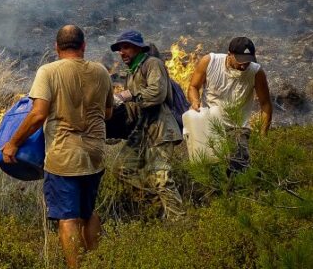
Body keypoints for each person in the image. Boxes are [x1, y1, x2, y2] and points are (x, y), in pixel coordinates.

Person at [1, 25, 113, 269]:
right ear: (84, 46)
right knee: (89, 212)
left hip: (64, 156)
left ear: (56, 47)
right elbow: (108, 112)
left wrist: (13, 143)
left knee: (68, 217)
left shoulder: (48, 71)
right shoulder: (101, 72)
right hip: (95, 154)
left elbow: (38, 114)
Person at [109, 30, 184, 219]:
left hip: (160, 130)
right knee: (121, 169)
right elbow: (135, 108)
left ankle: (181, 223)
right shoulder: (132, 72)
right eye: (119, 49)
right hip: (141, 132)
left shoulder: (152, 64)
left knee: (162, 179)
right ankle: (157, 207)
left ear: (138, 48)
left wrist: (128, 95)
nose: (121, 52)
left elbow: (157, 93)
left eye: (125, 47)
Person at [187, 36, 272, 172]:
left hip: (237, 127)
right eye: (240, 61)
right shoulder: (210, 62)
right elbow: (193, 87)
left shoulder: (256, 72)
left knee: (239, 165)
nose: (244, 65)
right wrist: (195, 101)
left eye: (248, 62)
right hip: (209, 123)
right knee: (208, 166)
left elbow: (266, 104)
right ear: (229, 54)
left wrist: (263, 136)